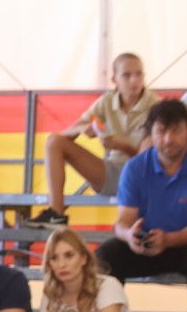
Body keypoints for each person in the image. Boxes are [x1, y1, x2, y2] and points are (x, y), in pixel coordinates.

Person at [95, 98, 187, 312]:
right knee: (107, 254)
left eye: (175, 130)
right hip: (145, 244)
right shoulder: (135, 168)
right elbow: (122, 221)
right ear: (150, 134)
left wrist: (171, 239)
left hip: (186, 245)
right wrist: (129, 235)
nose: (168, 139)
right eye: (161, 131)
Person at [33, 52, 159, 226]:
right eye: (127, 75)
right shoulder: (106, 101)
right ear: (114, 79)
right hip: (110, 172)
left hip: (141, 177)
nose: (134, 81)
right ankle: (56, 213)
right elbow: (67, 132)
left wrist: (119, 145)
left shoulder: (156, 106)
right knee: (53, 142)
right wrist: (84, 128)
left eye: (139, 74)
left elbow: (144, 161)